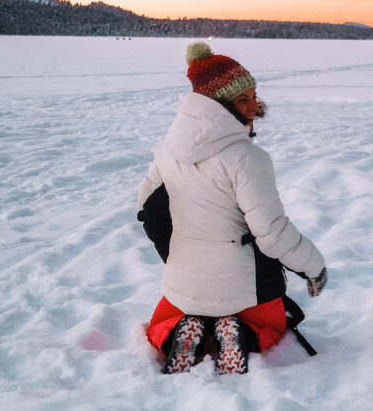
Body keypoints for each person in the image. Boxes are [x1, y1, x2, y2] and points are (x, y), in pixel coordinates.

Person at [138, 42, 327, 374]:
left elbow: (149, 209)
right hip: (244, 290)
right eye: (244, 99)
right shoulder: (247, 159)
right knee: (272, 323)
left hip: (183, 286)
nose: (254, 106)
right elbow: (271, 234)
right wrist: (314, 268)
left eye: (254, 96)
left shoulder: (169, 151)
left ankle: (178, 332)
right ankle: (243, 333)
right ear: (218, 108)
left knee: (167, 316)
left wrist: (178, 249)